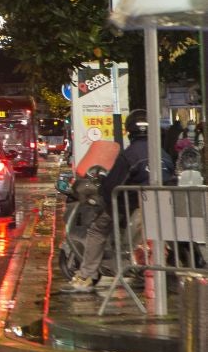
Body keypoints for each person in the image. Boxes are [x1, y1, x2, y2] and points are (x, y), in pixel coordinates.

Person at [62, 109, 174, 293]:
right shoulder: (163, 154)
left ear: (130, 129)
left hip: (131, 206)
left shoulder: (129, 155)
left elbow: (111, 184)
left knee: (98, 230)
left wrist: (102, 199)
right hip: (163, 206)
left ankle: (86, 276)